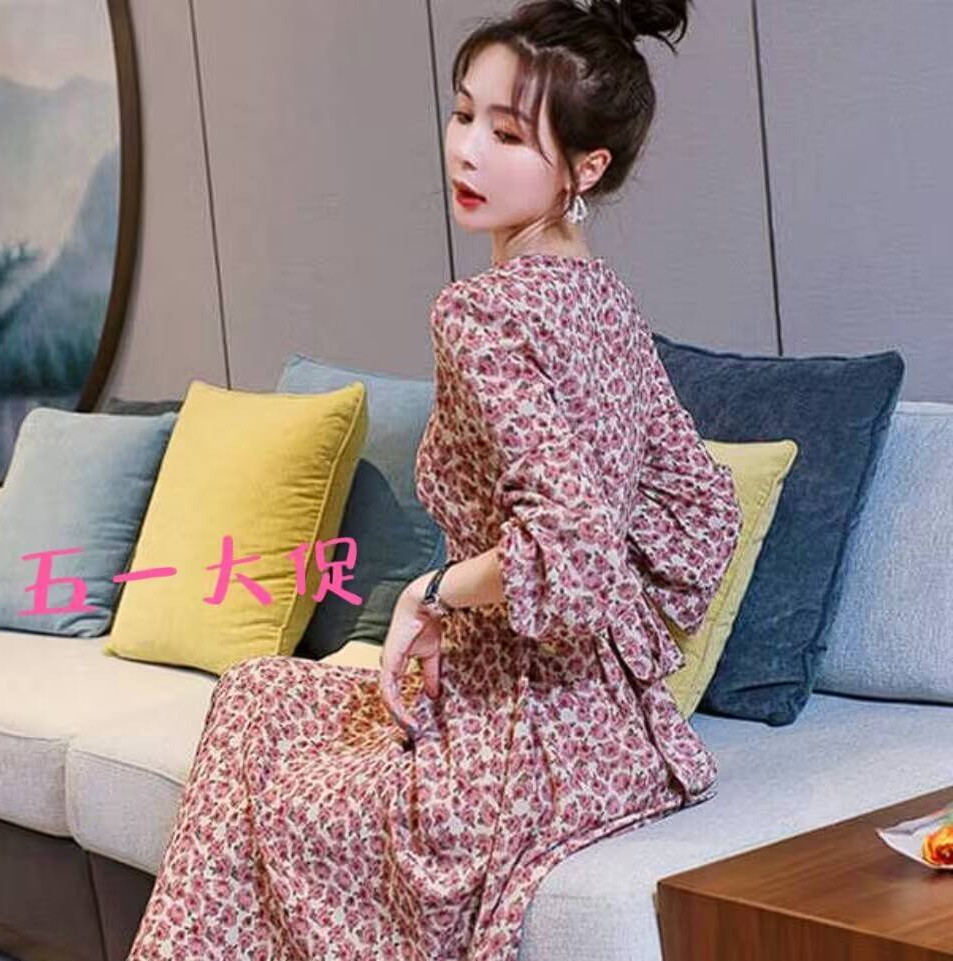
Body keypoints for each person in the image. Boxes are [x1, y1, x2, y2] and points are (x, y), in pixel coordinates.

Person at [126, 1, 743, 959]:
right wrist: (617, 636)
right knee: (257, 693)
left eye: (509, 134)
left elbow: (572, 547)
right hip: (622, 732)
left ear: (586, 170)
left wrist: (431, 592)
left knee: (277, 773)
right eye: (463, 115)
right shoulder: (606, 300)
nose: (467, 151)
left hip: (515, 747)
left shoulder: (480, 314)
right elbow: (704, 508)